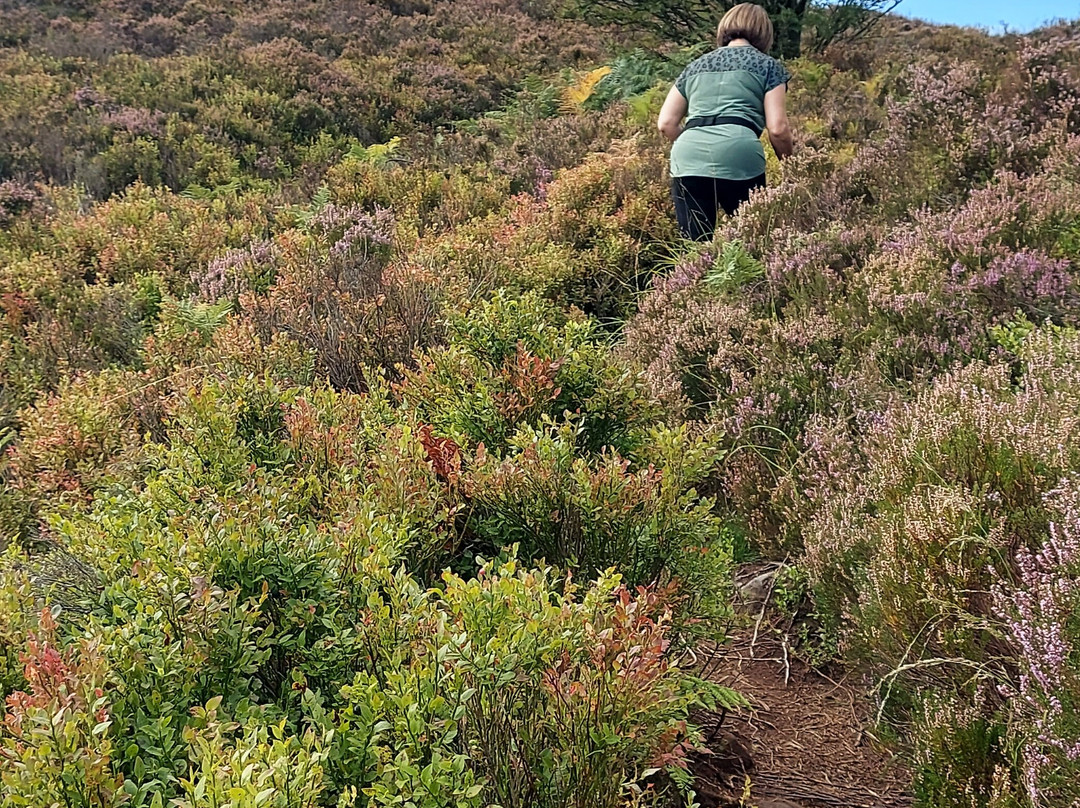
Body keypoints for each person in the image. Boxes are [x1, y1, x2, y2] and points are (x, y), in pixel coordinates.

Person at [657, 3, 794, 241]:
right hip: (739, 152)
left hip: (688, 155)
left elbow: (666, 123)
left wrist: (697, 144)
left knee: (695, 246)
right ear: (764, 33)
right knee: (752, 241)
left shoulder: (695, 66)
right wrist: (792, 167)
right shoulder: (768, 66)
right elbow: (778, 129)